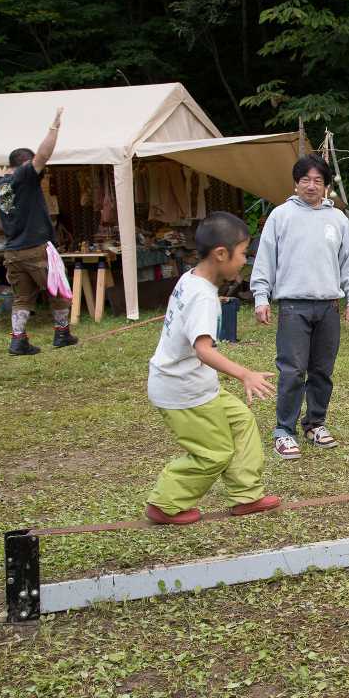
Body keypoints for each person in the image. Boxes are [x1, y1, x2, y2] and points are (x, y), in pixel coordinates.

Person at [144, 211, 280, 525]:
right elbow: (203, 350)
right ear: (221, 254)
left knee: (241, 420)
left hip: (197, 386)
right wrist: (245, 373)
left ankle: (247, 495)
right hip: (183, 391)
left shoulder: (191, 277)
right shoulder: (202, 296)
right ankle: (165, 503)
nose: (245, 260)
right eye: (243, 253)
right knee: (213, 452)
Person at [251, 154, 349, 460]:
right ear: (295, 183)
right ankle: (283, 431)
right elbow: (265, 261)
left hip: (328, 306)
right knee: (292, 370)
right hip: (292, 307)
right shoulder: (280, 216)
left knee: (322, 370)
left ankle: (315, 423)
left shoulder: (338, 219)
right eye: (305, 180)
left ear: (326, 185)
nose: (311, 186)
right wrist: (261, 298)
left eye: (317, 180)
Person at [0, 107, 78, 355]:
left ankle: (18, 341)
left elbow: (10, 176)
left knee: (22, 298)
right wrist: (54, 128)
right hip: (35, 249)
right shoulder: (25, 176)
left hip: (12, 253)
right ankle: (62, 334)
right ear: (26, 165)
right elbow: (43, 155)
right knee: (59, 291)